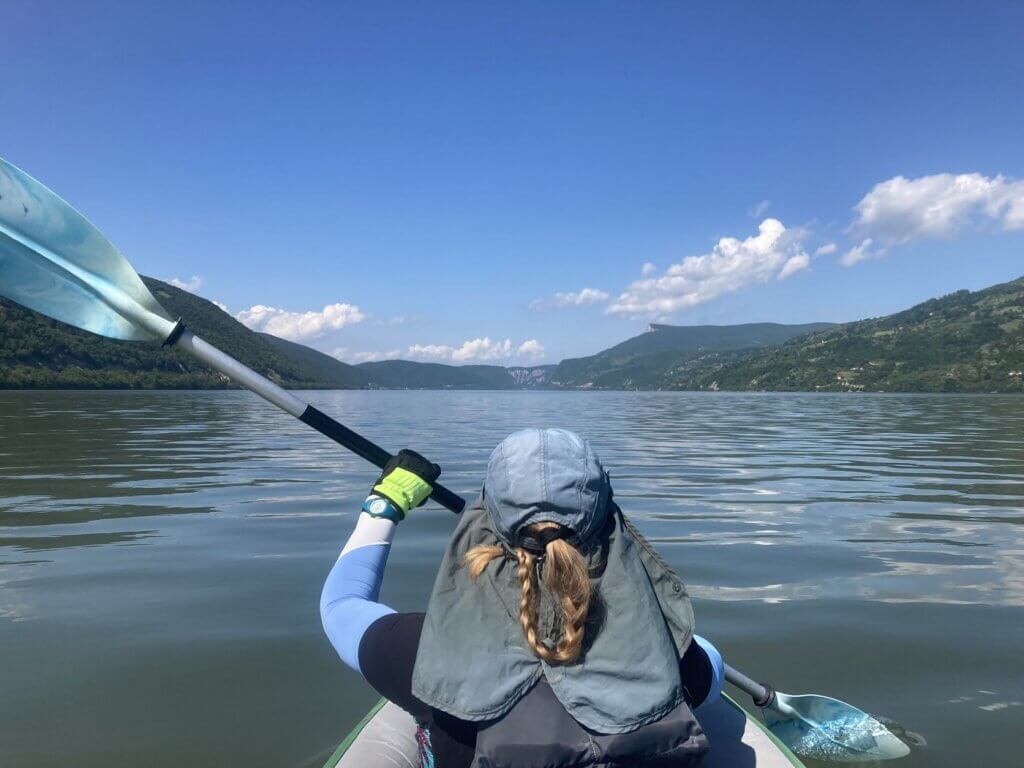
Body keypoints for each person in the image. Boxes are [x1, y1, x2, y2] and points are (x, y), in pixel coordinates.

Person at [321, 428, 724, 767]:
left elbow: (340, 605)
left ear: (485, 524)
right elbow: (712, 661)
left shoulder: (421, 651)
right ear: (610, 527)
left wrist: (385, 505)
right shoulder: (674, 663)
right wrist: (675, 636)